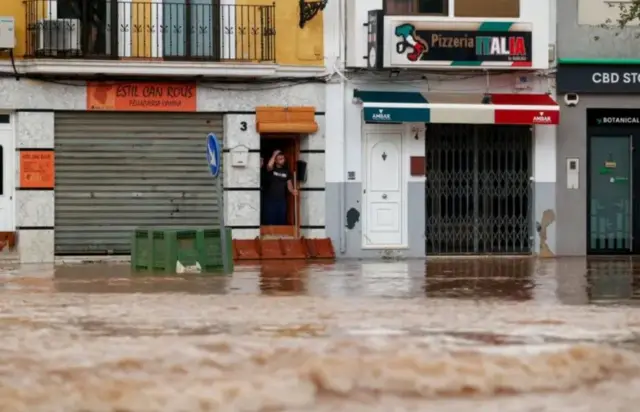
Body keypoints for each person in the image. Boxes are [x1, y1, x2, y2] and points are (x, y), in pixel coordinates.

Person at [263, 150, 297, 225]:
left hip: (281, 201)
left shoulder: (287, 172)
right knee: (270, 221)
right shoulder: (271, 170)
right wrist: (274, 155)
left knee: (281, 221)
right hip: (270, 201)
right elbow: (269, 166)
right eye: (280, 159)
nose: (282, 160)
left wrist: (292, 191)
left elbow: (289, 185)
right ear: (275, 160)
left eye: (283, 158)